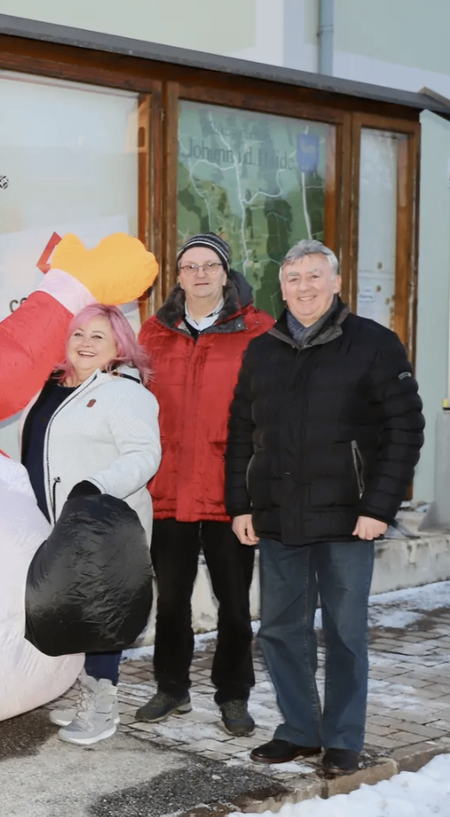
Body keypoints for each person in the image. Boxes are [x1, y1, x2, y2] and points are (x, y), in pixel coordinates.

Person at [226, 240, 424, 777]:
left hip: (349, 517)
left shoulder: (374, 344)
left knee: (343, 632)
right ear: (282, 287)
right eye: (293, 278)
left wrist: (380, 504)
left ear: (336, 283)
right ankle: (298, 730)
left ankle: (341, 738)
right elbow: (242, 430)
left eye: (315, 276)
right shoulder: (262, 349)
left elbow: (405, 428)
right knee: (280, 628)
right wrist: (241, 504)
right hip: (278, 515)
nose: (304, 287)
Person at [133, 233, 274, 736]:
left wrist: (260, 490)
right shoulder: (152, 333)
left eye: (208, 265)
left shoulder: (259, 331)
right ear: (177, 276)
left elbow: (271, 414)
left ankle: (234, 695)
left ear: (225, 271)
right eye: (189, 266)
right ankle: (171, 689)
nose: (199, 275)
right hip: (167, 488)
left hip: (230, 492)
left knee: (234, 603)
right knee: (170, 600)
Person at [20, 304, 161, 745]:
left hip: (102, 523)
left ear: (119, 345)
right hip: (54, 522)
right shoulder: (52, 388)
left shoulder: (126, 393)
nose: (85, 343)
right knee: (70, 608)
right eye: (78, 333)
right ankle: (85, 693)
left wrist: (94, 486)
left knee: (101, 611)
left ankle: (102, 707)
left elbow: (144, 455)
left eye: (98, 336)